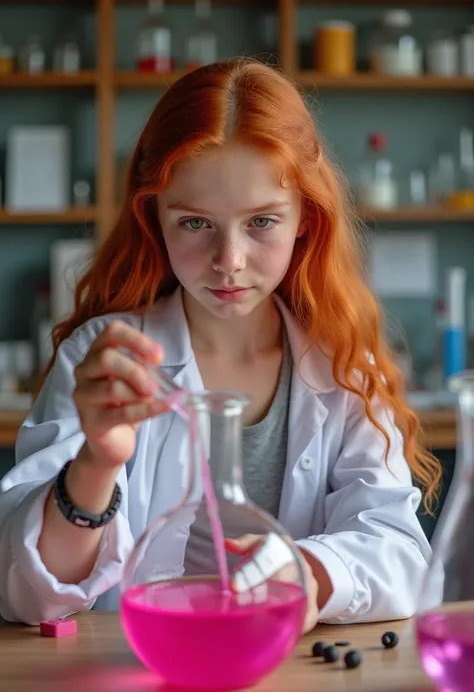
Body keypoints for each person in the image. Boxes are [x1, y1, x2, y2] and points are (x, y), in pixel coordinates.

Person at [0, 59, 441, 628]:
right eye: (194, 223)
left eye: (261, 222)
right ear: (153, 215)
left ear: (305, 216)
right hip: (131, 667)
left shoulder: (342, 365)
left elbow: (401, 555)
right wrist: (96, 464)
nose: (228, 262)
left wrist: (306, 574)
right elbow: (25, 593)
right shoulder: (104, 357)